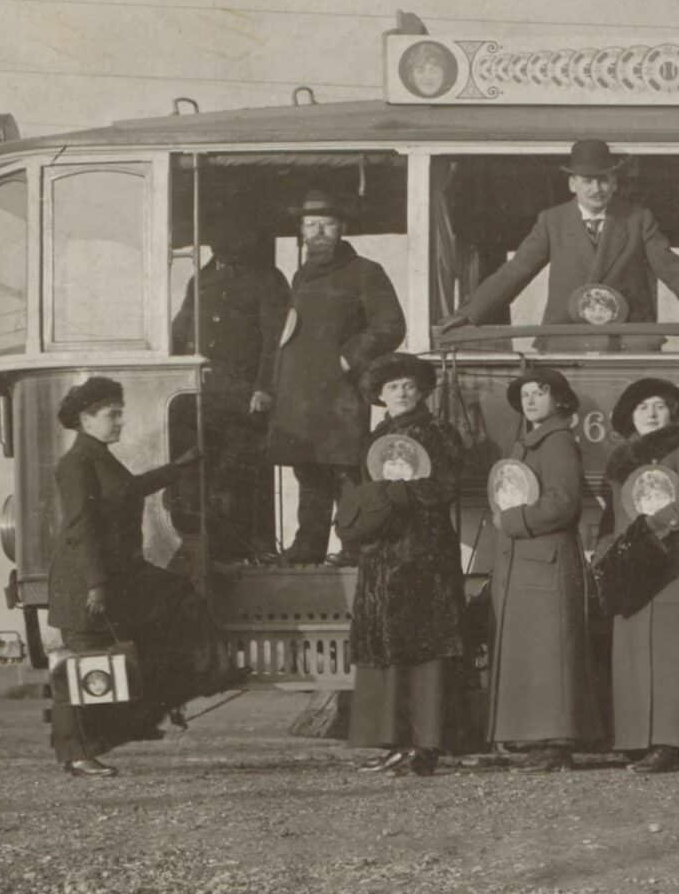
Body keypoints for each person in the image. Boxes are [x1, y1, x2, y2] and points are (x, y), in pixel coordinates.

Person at [45, 377, 212, 777]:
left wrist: (178, 468)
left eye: (120, 413)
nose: (120, 422)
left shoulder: (99, 456)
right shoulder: (77, 463)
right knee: (80, 664)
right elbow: (80, 528)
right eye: (112, 415)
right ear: (86, 418)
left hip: (109, 577)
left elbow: (130, 489)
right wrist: (96, 585)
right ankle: (76, 754)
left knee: (175, 598)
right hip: (85, 582)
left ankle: (135, 716)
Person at [440, 138, 679, 353]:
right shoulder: (552, 221)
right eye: (587, 181)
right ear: (572, 184)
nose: (596, 188)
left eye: (603, 180)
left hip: (630, 343)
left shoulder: (638, 219)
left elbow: (673, 270)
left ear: (615, 183)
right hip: (566, 341)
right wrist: (470, 313)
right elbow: (516, 271)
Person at [597, 377, 679, 773]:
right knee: (636, 653)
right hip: (632, 564)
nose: (652, 414)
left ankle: (673, 741)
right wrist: (608, 551)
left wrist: (655, 527)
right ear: (630, 418)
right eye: (642, 408)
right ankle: (639, 737)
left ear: (671, 412)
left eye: (658, 405)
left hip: (674, 561)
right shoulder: (621, 459)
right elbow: (613, 513)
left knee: (675, 655)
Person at [340, 353, 466, 777]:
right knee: (386, 647)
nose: (402, 392)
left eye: (409, 385)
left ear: (422, 390)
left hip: (422, 553)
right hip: (381, 553)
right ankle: (393, 741)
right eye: (393, 387)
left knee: (422, 646)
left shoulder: (439, 433)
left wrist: (401, 494)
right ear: (379, 395)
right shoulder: (374, 437)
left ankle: (424, 744)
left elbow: (446, 485)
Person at [264, 191, 406, 565]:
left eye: (327, 224)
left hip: (341, 395)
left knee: (345, 472)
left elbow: (391, 325)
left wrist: (349, 357)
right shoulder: (299, 275)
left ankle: (354, 548)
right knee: (309, 472)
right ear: (301, 231)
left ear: (342, 228)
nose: (319, 231)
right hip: (300, 395)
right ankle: (308, 547)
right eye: (311, 225)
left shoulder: (365, 271)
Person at [482, 369, 599, 771]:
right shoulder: (529, 443)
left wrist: (511, 523)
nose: (531, 400)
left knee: (550, 656)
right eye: (526, 395)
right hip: (528, 563)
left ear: (560, 401)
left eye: (540, 393)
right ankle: (537, 740)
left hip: (545, 563)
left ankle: (555, 744)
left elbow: (563, 503)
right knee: (534, 654)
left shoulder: (558, 442)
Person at [169, 223, 288, 562]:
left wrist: (264, 386)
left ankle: (251, 548)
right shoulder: (200, 281)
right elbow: (181, 326)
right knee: (201, 475)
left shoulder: (266, 279)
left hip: (243, 395)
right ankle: (213, 550)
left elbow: (273, 340)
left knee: (239, 476)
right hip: (200, 394)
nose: (223, 245)